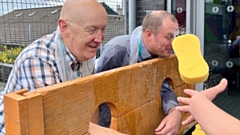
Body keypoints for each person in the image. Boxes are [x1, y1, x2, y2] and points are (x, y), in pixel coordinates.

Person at [0, 0, 108, 134]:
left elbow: (91, 105)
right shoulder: (38, 60)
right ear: (64, 27)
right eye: (91, 30)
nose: (100, 38)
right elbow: (53, 124)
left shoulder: (85, 56)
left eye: (103, 29)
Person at [96, 10, 181, 135]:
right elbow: (98, 94)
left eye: (175, 36)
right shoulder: (117, 50)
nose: (173, 42)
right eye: (168, 37)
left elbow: (162, 86)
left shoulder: (161, 54)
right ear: (148, 35)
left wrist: (175, 110)